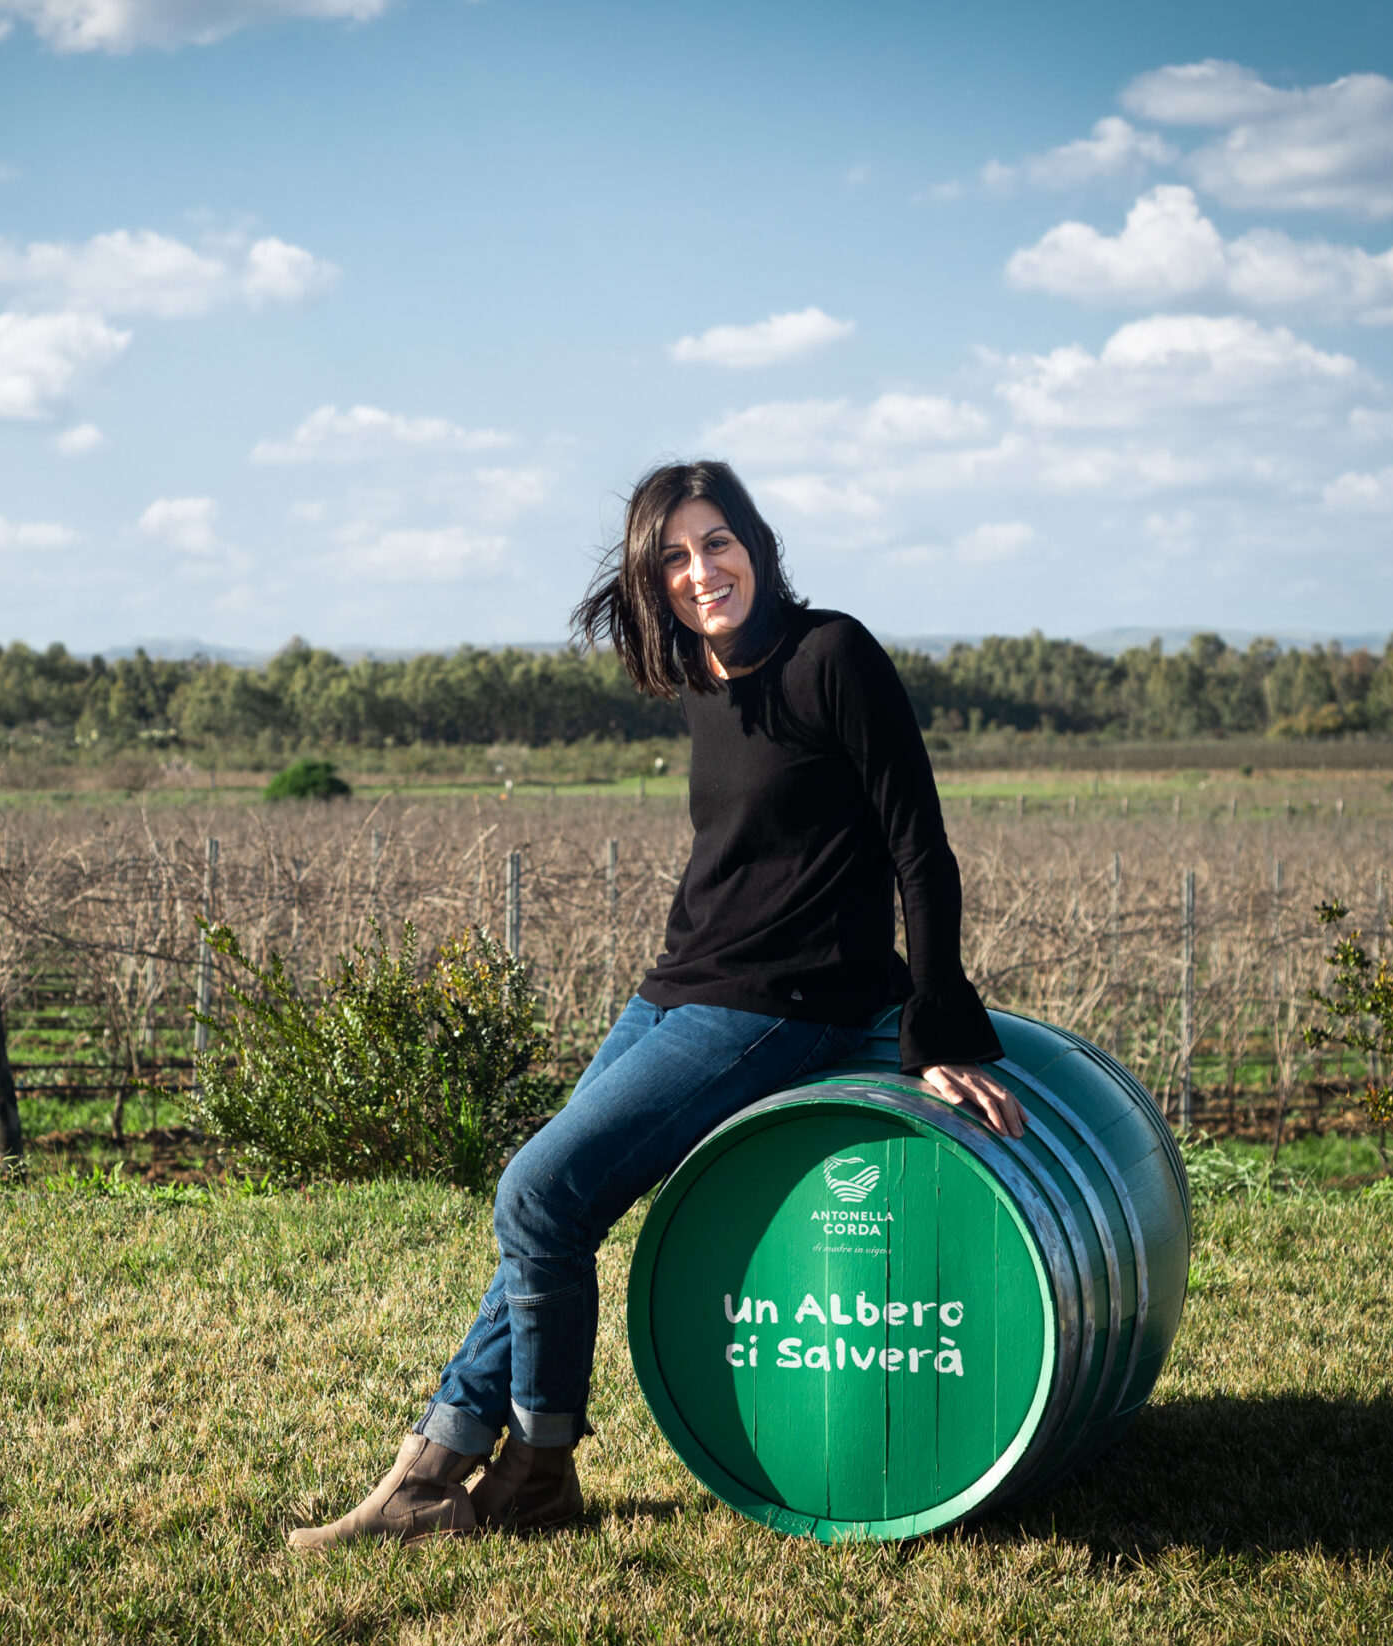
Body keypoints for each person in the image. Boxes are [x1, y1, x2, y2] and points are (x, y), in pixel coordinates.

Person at [288, 460, 1023, 1550]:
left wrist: (935, 1027)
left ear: (758, 545)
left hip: (787, 1004)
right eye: (672, 556)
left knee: (535, 1190)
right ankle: (431, 1470)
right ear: (650, 578)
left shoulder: (834, 655)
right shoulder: (704, 674)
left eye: (716, 542)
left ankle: (537, 1473)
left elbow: (920, 847)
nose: (699, 569)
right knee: (551, 1215)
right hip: (679, 989)